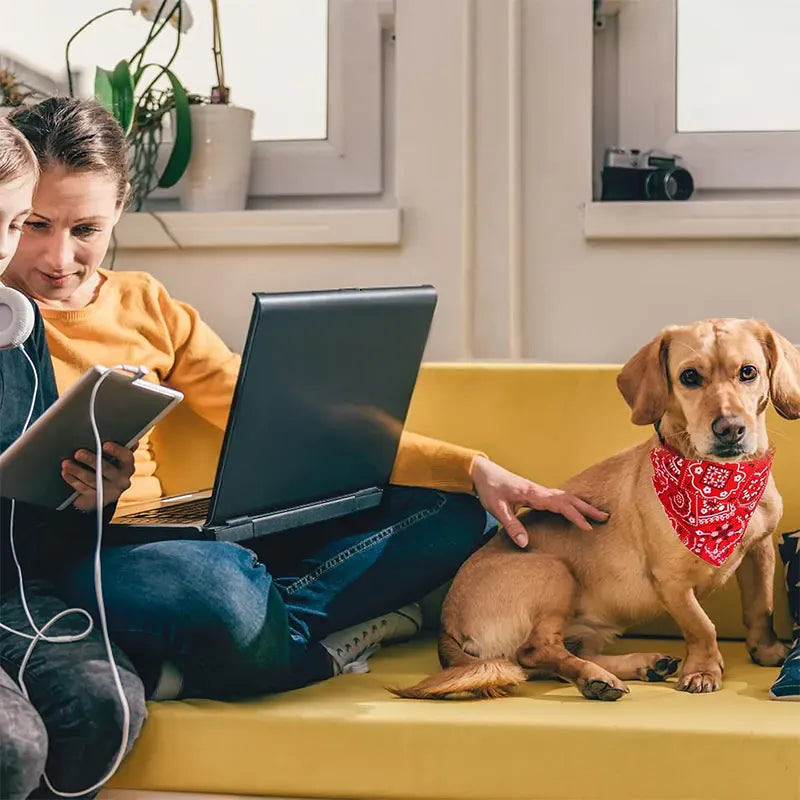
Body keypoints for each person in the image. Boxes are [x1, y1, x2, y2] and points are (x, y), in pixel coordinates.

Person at [7, 98, 608, 701]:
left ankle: (237, 645)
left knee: (456, 514)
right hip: (84, 555)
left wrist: (471, 467)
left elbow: (285, 422)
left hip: (168, 530)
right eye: (35, 225)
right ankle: (308, 645)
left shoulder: (145, 303)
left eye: (85, 230)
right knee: (214, 591)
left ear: (118, 207)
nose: (60, 259)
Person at [0, 118, 144, 799]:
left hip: (12, 592)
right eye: (29, 227)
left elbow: (32, 536)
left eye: (8, 226)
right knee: (11, 748)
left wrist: (93, 496)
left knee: (105, 712)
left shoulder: (17, 333)